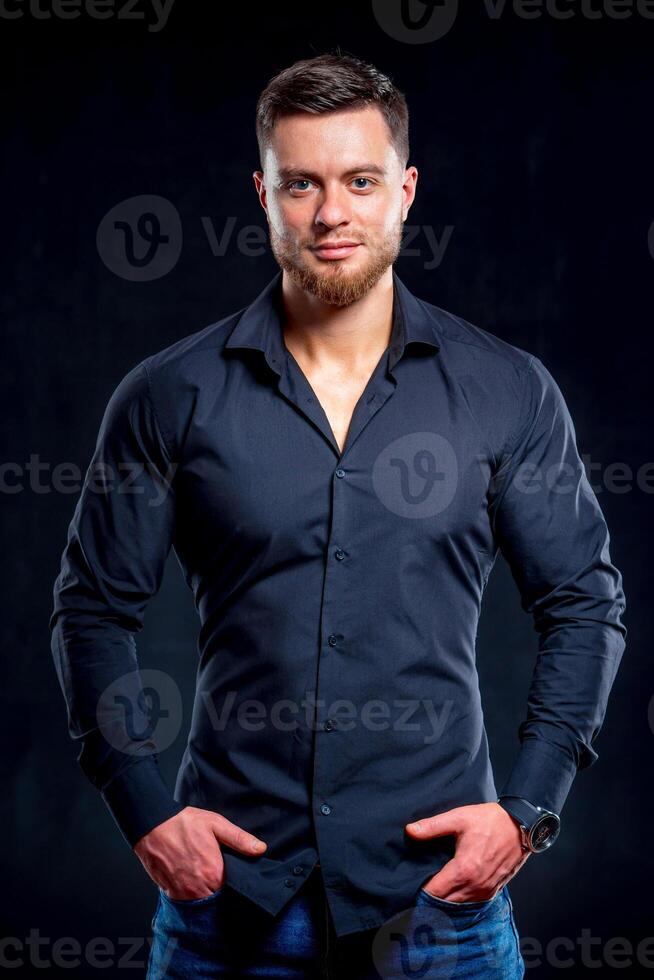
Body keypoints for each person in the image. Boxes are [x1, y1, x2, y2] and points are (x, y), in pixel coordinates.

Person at [49, 52, 627, 979]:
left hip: (442, 907)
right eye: (301, 184)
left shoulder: (506, 390)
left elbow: (583, 604)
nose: (330, 214)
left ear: (404, 190)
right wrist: (144, 808)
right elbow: (93, 613)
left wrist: (528, 811)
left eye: (359, 181)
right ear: (263, 194)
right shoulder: (169, 394)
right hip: (230, 903)